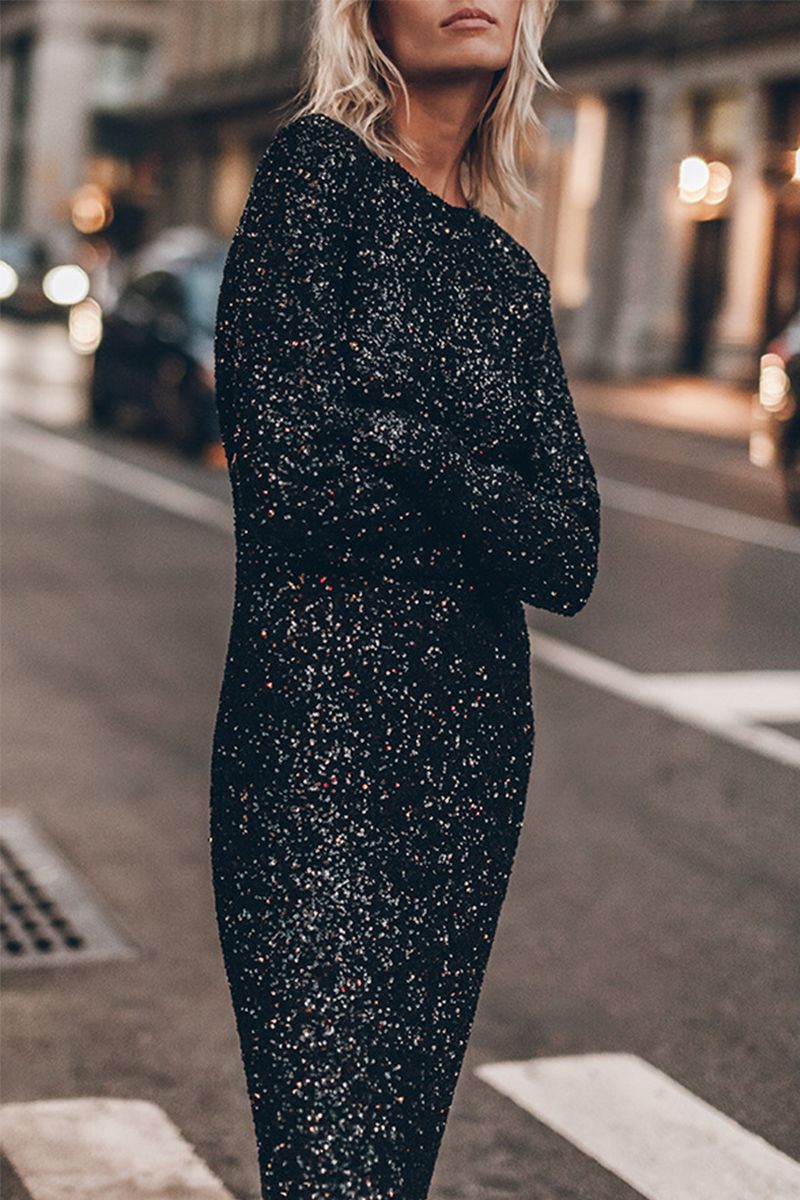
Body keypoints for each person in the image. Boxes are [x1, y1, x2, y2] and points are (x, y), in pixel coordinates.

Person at [209, 1, 600, 1197]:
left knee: (395, 1163)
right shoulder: (314, 176)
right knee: (328, 1162)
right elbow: (287, 490)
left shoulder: (508, 277)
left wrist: (398, 441)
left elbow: (571, 554)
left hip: (470, 763)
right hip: (314, 746)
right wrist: (477, 505)